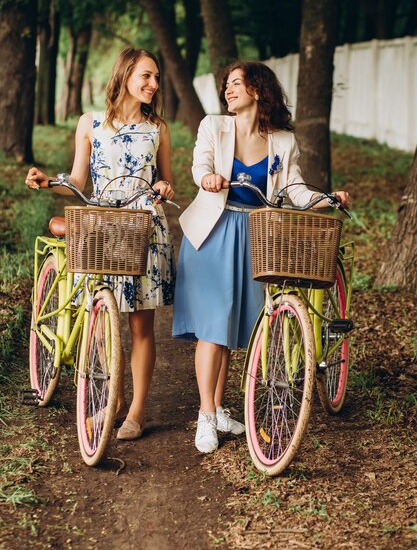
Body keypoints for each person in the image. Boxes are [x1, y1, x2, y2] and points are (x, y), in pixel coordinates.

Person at [172, 60, 350, 454]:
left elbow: (295, 188)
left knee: (237, 328)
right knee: (212, 326)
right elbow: (200, 163)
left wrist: (326, 199)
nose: (229, 90)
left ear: (258, 89)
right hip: (213, 233)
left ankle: (218, 408)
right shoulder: (213, 126)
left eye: (237, 83)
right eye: (227, 85)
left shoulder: (282, 141)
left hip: (256, 235)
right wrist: (207, 178)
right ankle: (204, 417)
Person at [25, 47, 176, 441]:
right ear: (125, 74)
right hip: (103, 225)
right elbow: (77, 180)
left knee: (141, 324)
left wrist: (162, 186)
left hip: (144, 226)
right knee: (107, 319)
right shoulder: (89, 123)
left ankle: (137, 412)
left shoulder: (158, 128)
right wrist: (49, 182)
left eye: (156, 78)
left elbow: (166, 180)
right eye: (146, 75)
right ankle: (114, 404)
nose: (153, 84)